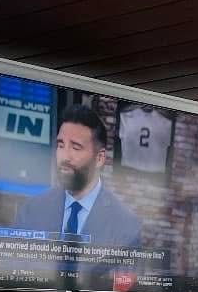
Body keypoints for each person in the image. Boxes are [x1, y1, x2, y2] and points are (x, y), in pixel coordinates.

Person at [12, 104, 143, 251]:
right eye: (61, 145)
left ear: (99, 158)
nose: (65, 157)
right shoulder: (31, 210)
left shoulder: (126, 225)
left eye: (75, 148)